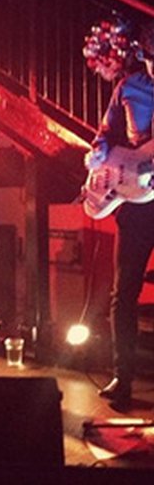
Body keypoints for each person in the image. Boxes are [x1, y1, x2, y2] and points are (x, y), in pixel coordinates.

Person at [84, 21, 154, 409]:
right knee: (123, 292)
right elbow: (106, 135)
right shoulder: (129, 87)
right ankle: (121, 377)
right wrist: (98, 155)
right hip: (134, 201)